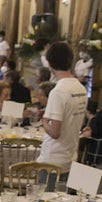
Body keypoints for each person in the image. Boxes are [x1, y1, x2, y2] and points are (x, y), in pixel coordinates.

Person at [37, 41, 87, 180]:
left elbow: (55, 132)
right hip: (71, 156)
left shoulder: (58, 91)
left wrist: (44, 120)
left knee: (45, 200)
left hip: (52, 160)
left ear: (50, 63)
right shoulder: (81, 89)